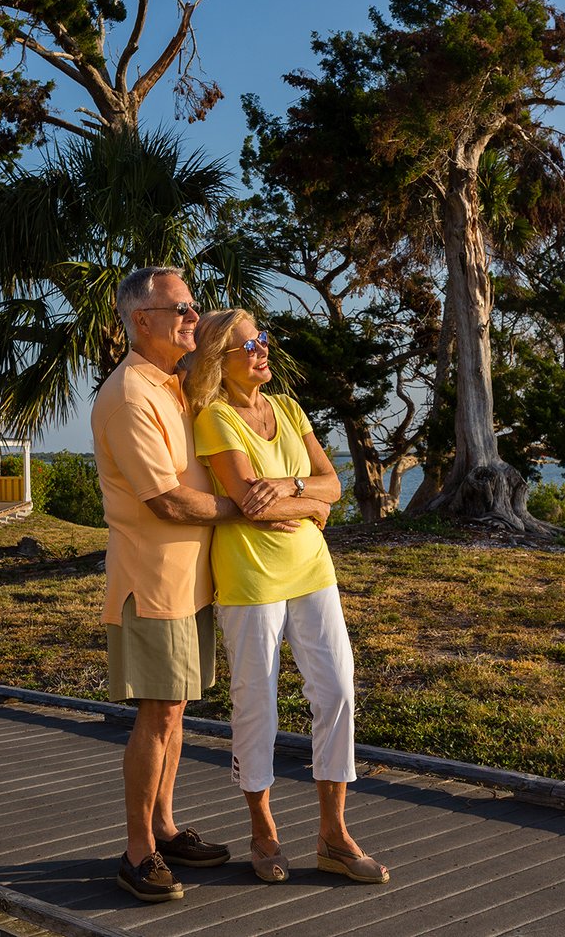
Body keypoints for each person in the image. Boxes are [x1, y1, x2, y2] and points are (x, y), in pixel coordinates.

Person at [91, 268, 323, 903]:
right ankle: (138, 852)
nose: (193, 317)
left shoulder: (175, 386)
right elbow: (165, 500)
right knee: (157, 713)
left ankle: (164, 827)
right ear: (141, 321)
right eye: (181, 309)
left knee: (177, 710)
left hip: (192, 582)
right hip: (153, 581)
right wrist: (248, 507)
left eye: (193, 307)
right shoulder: (130, 396)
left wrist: (273, 496)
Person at [182, 308, 389, 886]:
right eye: (247, 346)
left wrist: (296, 489)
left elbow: (334, 484)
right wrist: (312, 505)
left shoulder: (289, 408)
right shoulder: (217, 418)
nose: (260, 351)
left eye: (262, 341)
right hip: (251, 581)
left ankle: (333, 835)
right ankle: (263, 830)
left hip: (312, 572)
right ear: (219, 362)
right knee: (258, 705)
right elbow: (250, 501)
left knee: (338, 691)